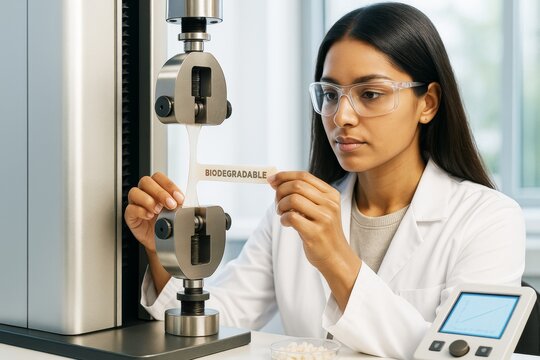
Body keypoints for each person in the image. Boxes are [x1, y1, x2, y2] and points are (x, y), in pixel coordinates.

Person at [124, 3, 525, 359]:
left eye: (370, 94)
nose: (342, 116)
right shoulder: (293, 215)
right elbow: (216, 325)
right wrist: (163, 250)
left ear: (429, 103)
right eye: (330, 94)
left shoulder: (489, 219)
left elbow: (462, 356)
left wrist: (335, 256)